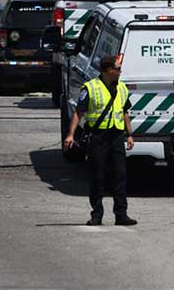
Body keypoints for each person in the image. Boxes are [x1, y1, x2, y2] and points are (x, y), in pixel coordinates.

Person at [63, 55, 137, 226]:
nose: (120, 72)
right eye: (117, 68)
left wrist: (130, 134)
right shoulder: (90, 88)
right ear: (108, 70)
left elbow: (125, 112)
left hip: (117, 136)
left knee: (120, 176)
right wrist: (70, 135)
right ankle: (97, 215)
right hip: (98, 137)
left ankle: (121, 214)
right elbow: (78, 113)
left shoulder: (122, 88)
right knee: (98, 176)